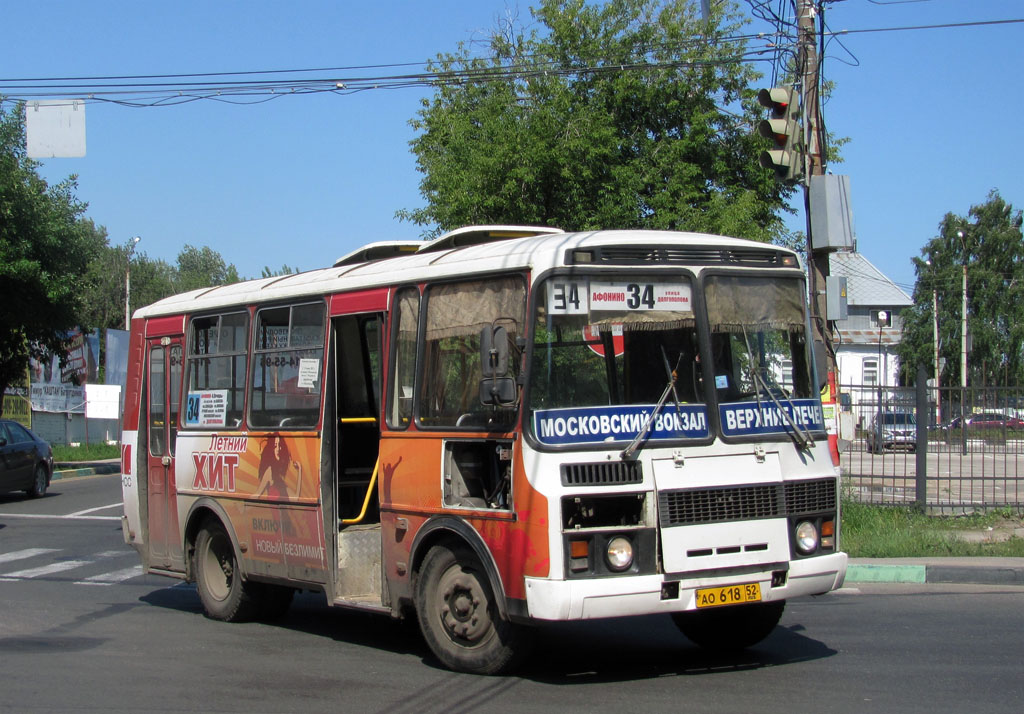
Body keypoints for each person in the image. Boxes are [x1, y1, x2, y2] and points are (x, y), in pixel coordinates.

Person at [255, 435, 302, 500]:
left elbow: (295, 498)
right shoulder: (270, 471)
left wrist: (299, 470)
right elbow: (257, 494)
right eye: (275, 445)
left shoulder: (280, 480)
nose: (278, 449)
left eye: (279, 445)